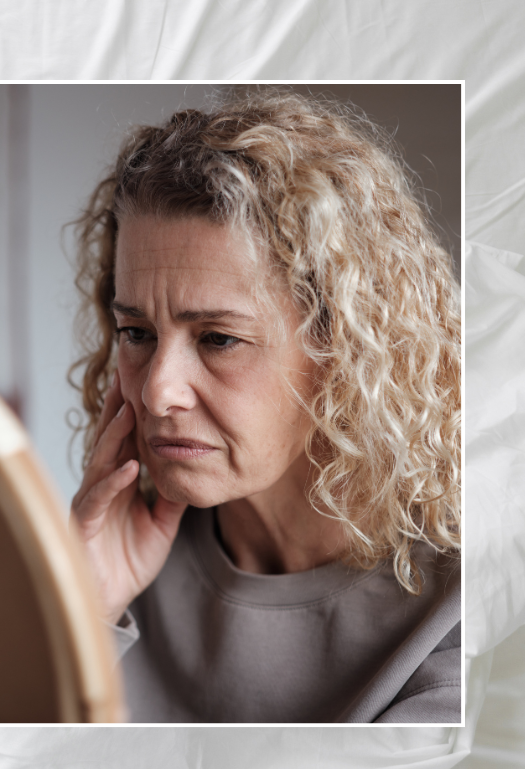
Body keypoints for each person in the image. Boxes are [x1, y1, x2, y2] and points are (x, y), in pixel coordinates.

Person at [68, 88, 461, 723]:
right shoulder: (113, 554)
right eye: (137, 333)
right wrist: (80, 611)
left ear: (344, 346)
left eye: (218, 339)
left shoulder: (467, 600)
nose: (157, 391)